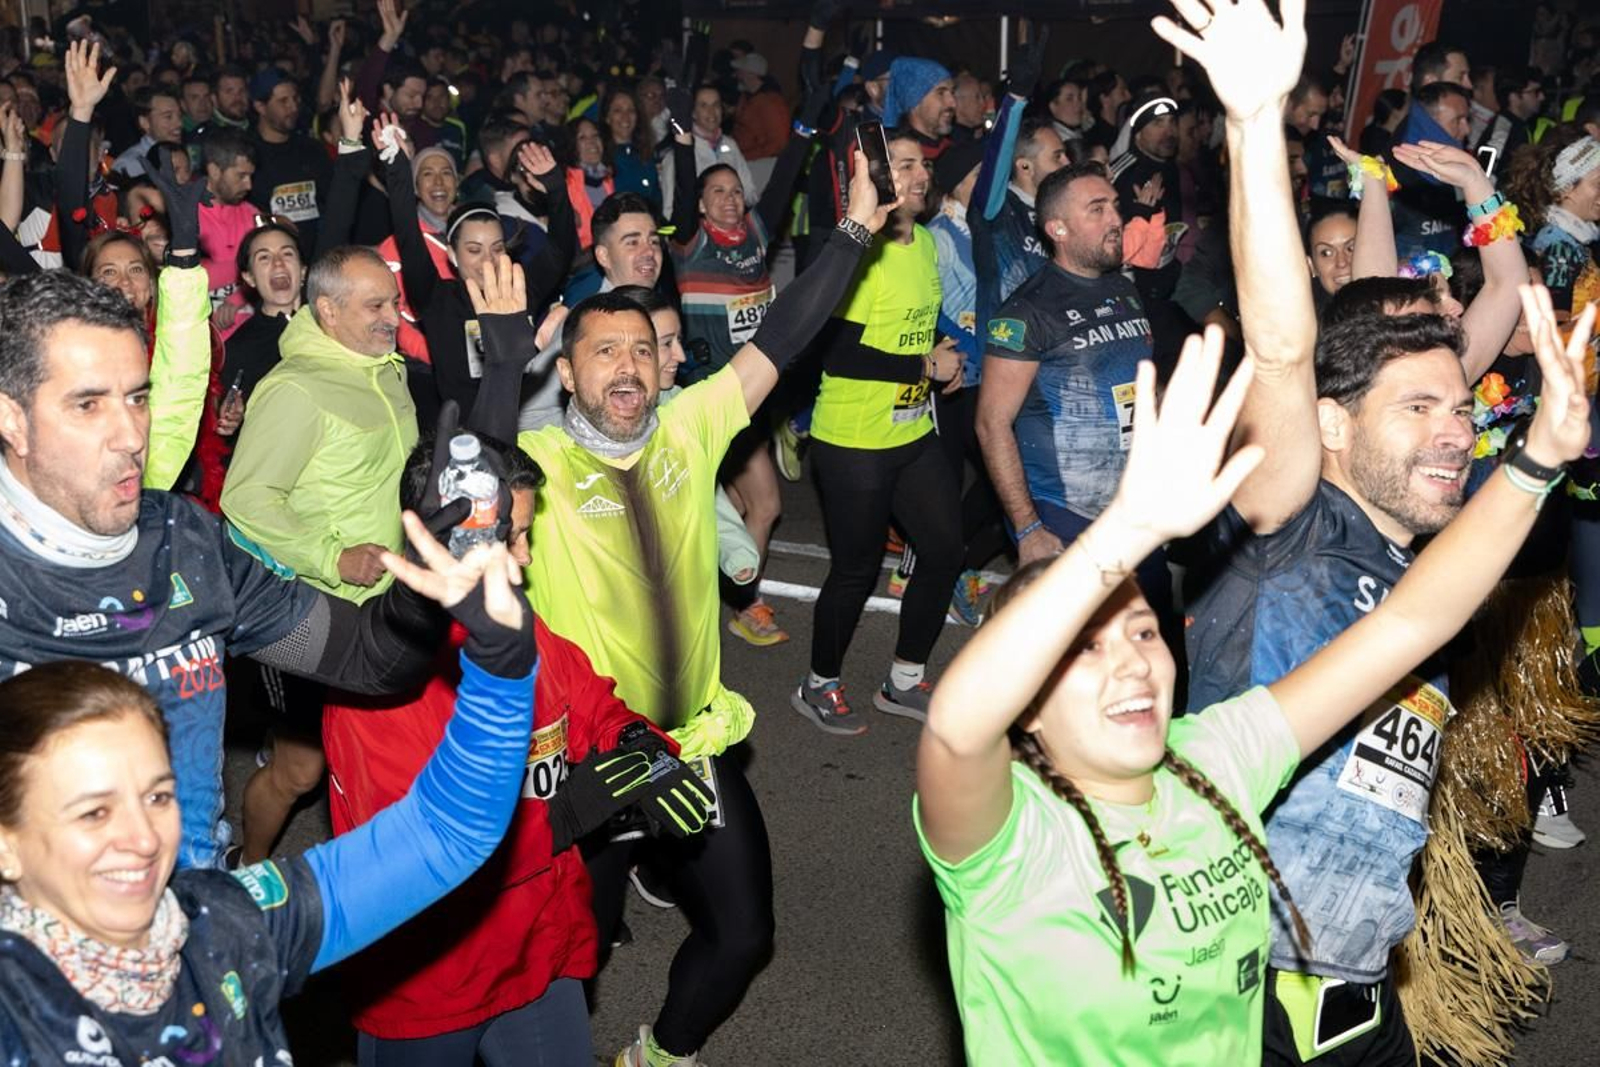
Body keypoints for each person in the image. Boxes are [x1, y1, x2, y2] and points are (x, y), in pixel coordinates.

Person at [470, 147, 900, 1067]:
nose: (626, 369)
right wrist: (506, 360)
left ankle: (658, 1056)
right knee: (561, 961)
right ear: (571, 372)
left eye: (640, 351)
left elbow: (784, 334)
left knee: (745, 935)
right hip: (579, 761)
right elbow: (467, 473)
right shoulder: (537, 466)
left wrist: (855, 229)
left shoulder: (695, 423)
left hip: (692, 743)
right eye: (602, 353)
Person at [1171, 2, 1543, 1059]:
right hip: (1238, 1003)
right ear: (1332, 427)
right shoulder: (1288, 522)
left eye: (1459, 409)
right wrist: (1253, 127)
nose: (1453, 431)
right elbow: (1284, 351)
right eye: (1419, 409)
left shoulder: (1417, 556)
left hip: (1361, 998)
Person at [0, 517, 542, 1063]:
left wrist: (501, 668)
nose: (144, 838)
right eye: (94, 813)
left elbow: (443, 833)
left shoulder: (223, 925)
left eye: (158, 796)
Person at [323, 433, 711, 1067]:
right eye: (510, 538)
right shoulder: (379, 682)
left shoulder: (510, 624)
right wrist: (566, 817)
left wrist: (641, 744)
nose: (525, 559)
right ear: (441, 538)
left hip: (538, 950)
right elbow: (408, 855)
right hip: (431, 984)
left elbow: (589, 702)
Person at [793, 129, 963, 732]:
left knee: (945, 548)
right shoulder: (860, 250)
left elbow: (915, 322)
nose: (919, 175)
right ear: (878, 177)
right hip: (852, 440)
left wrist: (945, 350)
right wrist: (924, 364)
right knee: (856, 569)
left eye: (924, 165)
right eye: (905, 165)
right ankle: (819, 684)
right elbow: (839, 353)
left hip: (911, 430)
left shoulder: (922, 244)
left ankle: (904, 680)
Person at [662, 100, 817, 646]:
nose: (729, 200)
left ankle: (728, 594)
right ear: (701, 204)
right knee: (761, 505)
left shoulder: (756, 232)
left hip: (750, 401)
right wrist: (683, 149)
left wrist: (804, 124)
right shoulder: (687, 242)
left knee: (755, 506)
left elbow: (788, 175)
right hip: (704, 401)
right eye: (716, 193)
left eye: (735, 190)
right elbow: (680, 200)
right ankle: (736, 602)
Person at [384, 119, 573, 413]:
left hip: (518, 427)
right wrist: (397, 167)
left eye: (497, 249)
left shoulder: (519, 293)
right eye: (474, 250)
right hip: (459, 436)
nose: (488, 260)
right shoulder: (438, 299)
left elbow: (561, 249)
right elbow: (408, 236)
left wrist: (556, 187)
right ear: (453, 255)